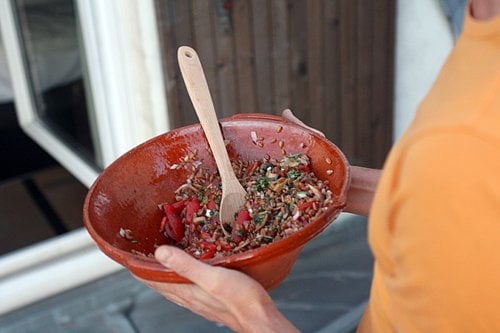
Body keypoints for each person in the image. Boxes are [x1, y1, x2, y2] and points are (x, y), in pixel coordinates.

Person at [136, 0, 500, 331]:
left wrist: (251, 316)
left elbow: (468, 174)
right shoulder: (485, 26)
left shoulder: (469, 136)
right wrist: (332, 180)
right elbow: (456, 198)